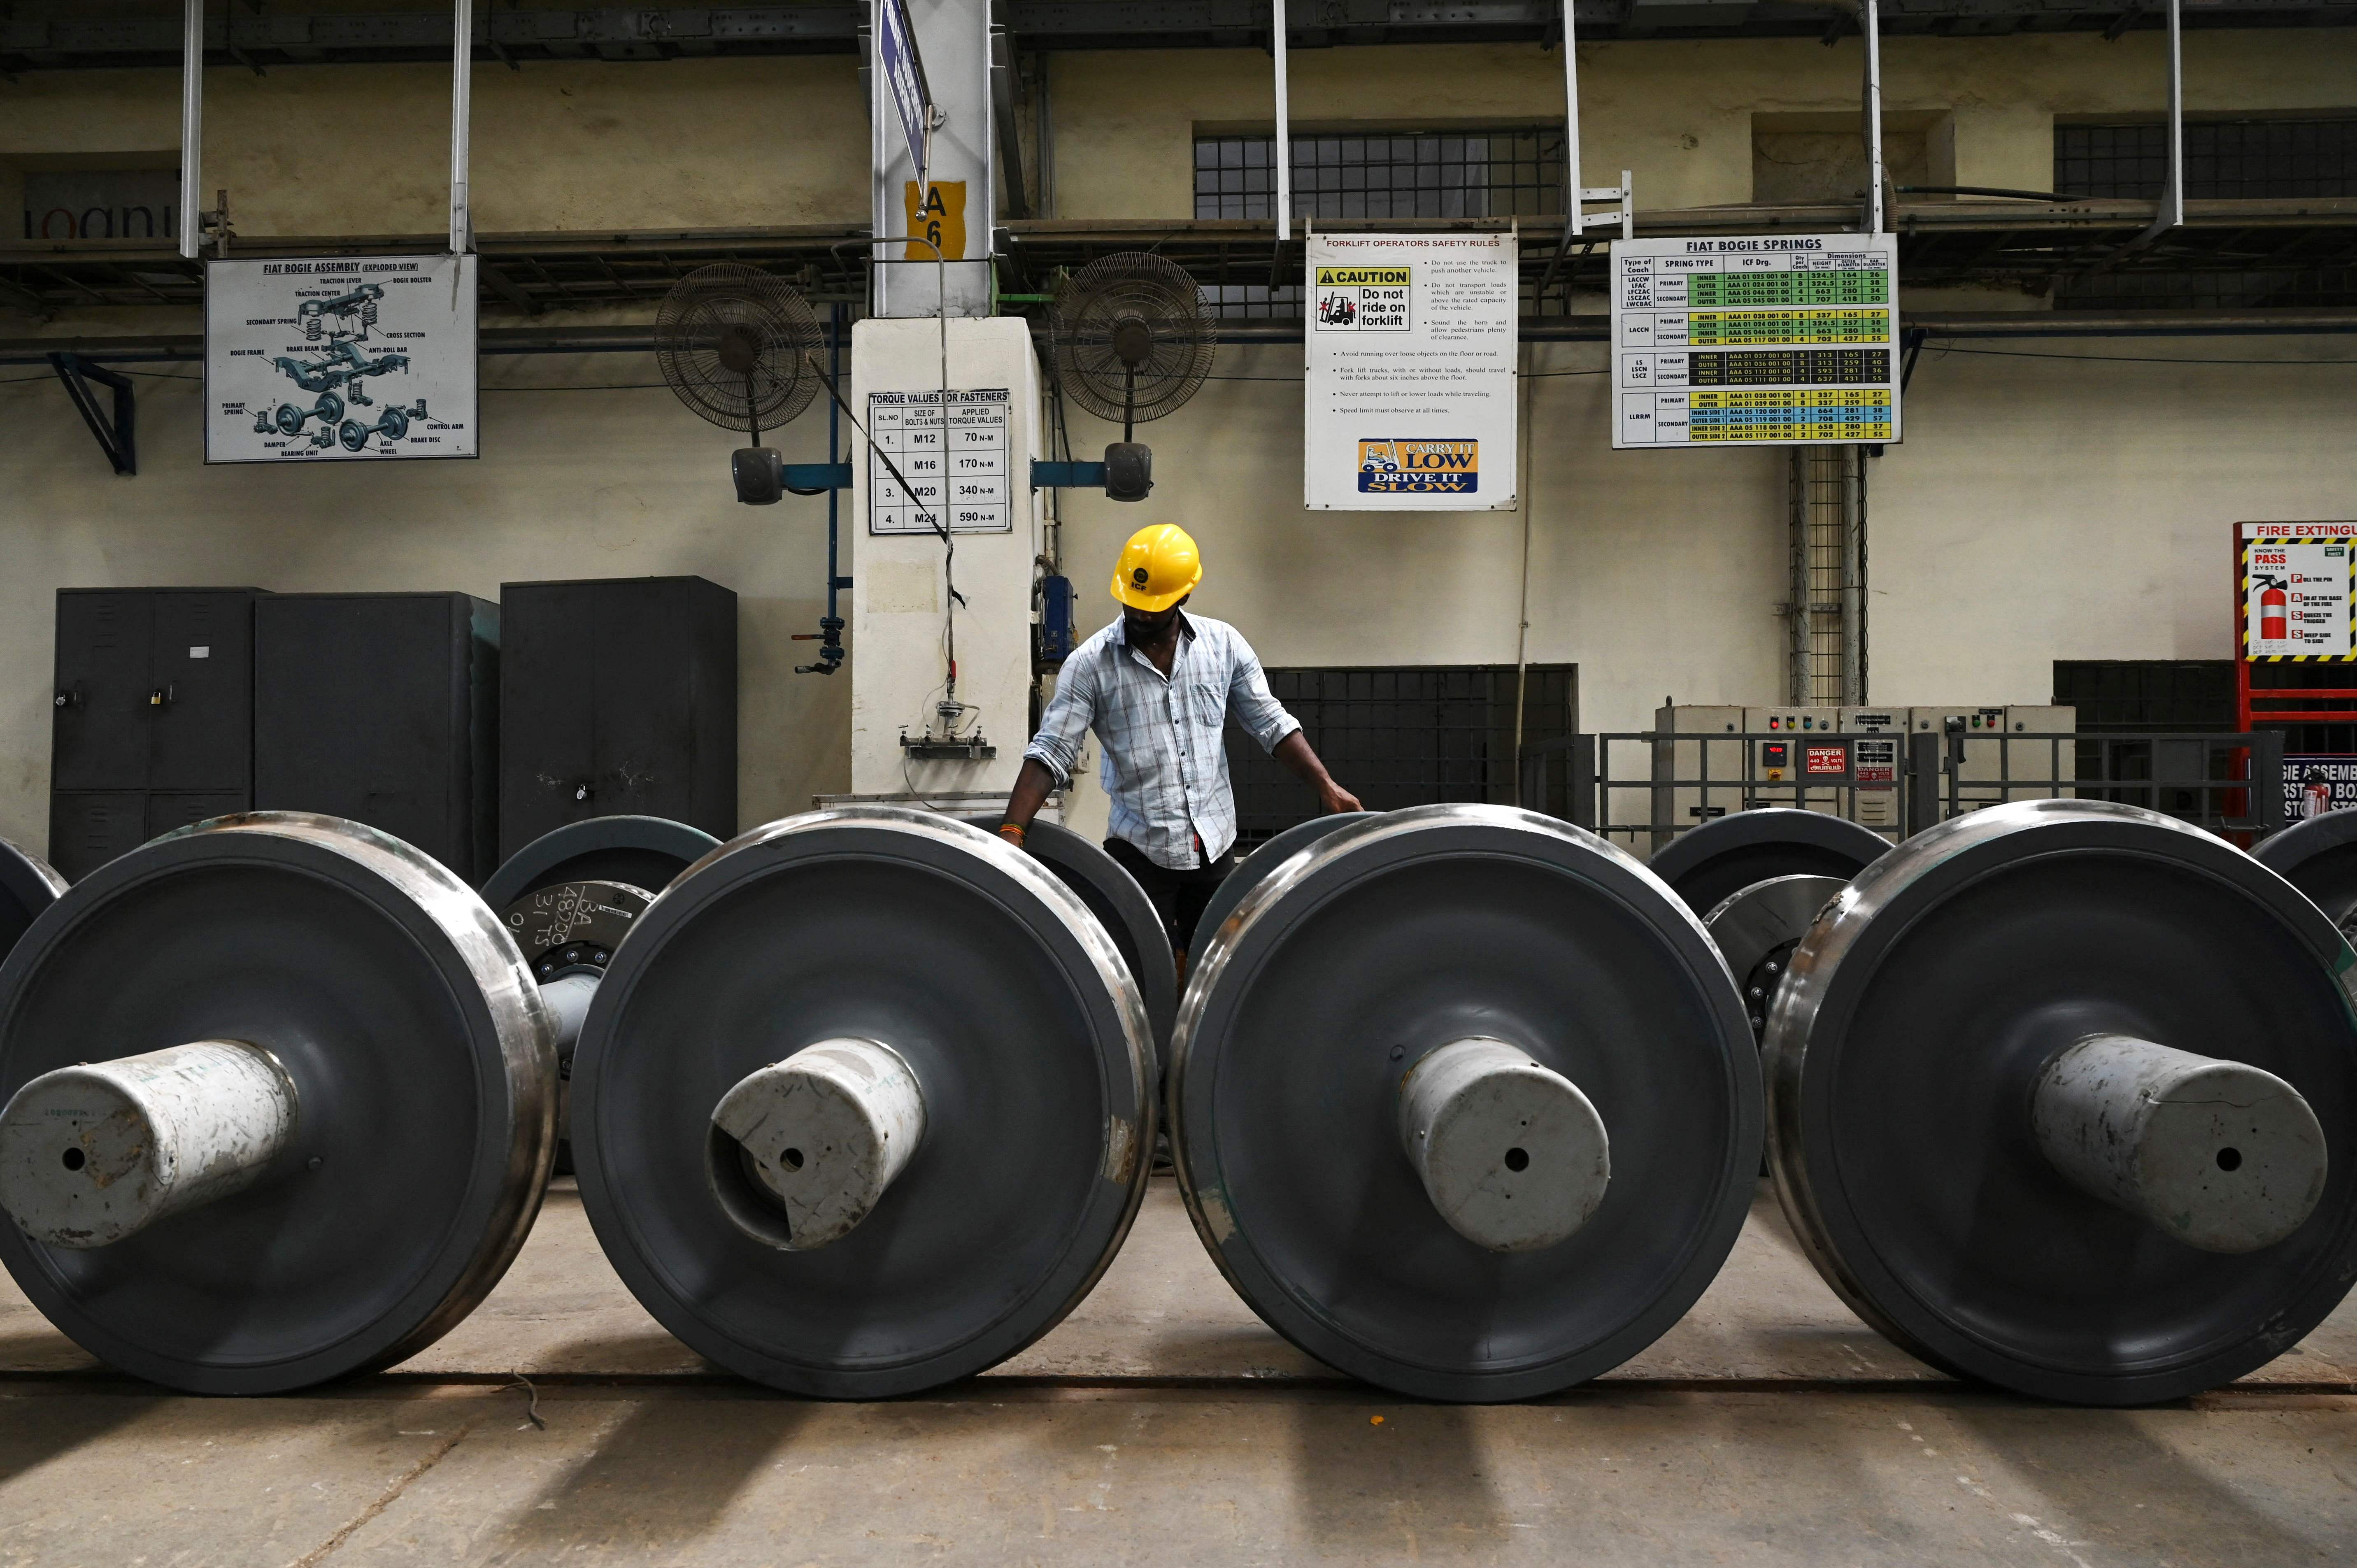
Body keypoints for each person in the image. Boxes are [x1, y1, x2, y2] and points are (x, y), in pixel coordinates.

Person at [1000, 523, 1361, 971]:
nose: (1140, 615)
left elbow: (1271, 724)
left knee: (1216, 968)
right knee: (1140, 969)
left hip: (1214, 847)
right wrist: (1013, 832)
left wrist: (1325, 786)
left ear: (1184, 598)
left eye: (1153, 609)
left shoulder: (1223, 646)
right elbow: (1051, 751)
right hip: (1140, 850)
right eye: (1132, 604)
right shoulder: (1090, 665)